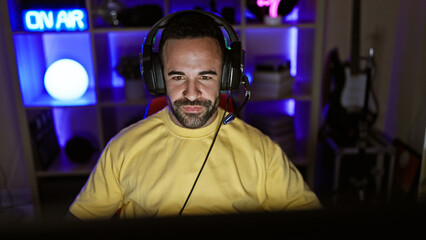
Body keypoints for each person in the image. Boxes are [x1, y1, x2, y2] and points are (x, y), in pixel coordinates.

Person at [68, 10, 321, 220]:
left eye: (206, 76)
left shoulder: (263, 153)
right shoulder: (122, 149)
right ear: (157, 77)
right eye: (178, 77)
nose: (191, 93)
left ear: (227, 76)